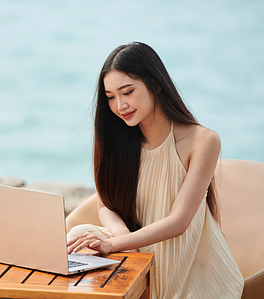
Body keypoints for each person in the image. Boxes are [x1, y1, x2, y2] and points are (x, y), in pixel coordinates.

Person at [66, 42, 244, 298]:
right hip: (132, 249)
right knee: (79, 235)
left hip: (185, 262)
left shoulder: (202, 141)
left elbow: (178, 222)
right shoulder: (118, 140)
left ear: (156, 84)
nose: (119, 105)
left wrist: (113, 244)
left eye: (127, 92)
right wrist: (122, 238)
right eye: (110, 97)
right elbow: (106, 203)